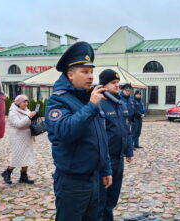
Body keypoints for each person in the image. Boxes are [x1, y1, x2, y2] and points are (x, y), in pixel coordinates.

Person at [45, 41, 112, 221]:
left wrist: (106, 169)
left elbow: (101, 137)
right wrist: (91, 106)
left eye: (91, 71)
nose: (90, 76)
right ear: (70, 75)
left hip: (94, 178)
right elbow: (65, 131)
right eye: (84, 72)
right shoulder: (58, 101)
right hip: (72, 182)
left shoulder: (89, 98)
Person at [98, 69, 134, 221]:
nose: (117, 86)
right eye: (113, 83)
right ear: (103, 85)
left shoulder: (120, 103)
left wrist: (129, 151)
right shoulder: (100, 104)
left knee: (113, 198)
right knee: (102, 199)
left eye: (118, 83)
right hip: (106, 159)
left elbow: (127, 130)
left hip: (119, 159)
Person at [1, 94, 37, 185]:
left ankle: (23, 176)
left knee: (26, 157)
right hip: (17, 138)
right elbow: (18, 124)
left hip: (26, 136)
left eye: (26, 101)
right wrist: (29, 117)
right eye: (24, 102)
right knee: (17, 156)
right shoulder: (13, 112)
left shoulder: (26, 110)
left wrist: (34, 117)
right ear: (18, 103)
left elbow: (28, 122)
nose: (26, 103)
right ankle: (7, 172)